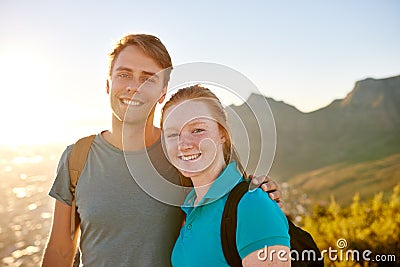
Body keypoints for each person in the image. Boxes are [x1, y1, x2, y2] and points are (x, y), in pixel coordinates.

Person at [41, 34, 281, 267]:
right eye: (124, 74)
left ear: (163, 92)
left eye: (148, 78)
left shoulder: (181, 156)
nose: (134, 87)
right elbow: (60, 250)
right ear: (108, 84)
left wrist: (260, 193)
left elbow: (226, 205)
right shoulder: (77, 157)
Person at [161, 85, 290, 266]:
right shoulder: (189, 207)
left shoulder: (253, 204)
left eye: (197, 130)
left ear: (223, 133)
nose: (183, 144)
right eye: (173, 134)